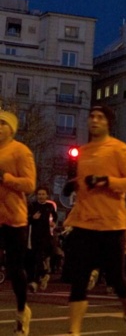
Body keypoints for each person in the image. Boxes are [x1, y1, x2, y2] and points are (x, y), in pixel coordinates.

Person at [63, 105, 126, 336]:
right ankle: (74, 331)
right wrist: (74, 184)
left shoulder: (120, 149)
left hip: (111, 225)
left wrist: (106, 181)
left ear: (108, 123)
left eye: (100, 117)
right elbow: (84, 182)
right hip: (84, 224)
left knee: (118, 279)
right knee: (78, 280)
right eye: (92, 117)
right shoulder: (84, 151)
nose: (94, 121)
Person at [0, 110, 36, 336]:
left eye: (2, 124)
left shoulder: (21, 151)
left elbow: (30, 185)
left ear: (11, 129)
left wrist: (6, 178)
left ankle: (22, 311)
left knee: (15, 269)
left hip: (14, 218)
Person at [27, 186, 58, 292]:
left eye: (43, 194)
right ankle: (42, 275)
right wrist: (32, 218)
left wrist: (53, 223)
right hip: (34, 236)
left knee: (40, 257)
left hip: (46, 236)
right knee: (34, 259)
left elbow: (55, 216)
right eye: (39, 194)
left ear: (47, 195)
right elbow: (27, 220)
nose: (41, 196)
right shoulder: (32, 206)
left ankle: (37, 280)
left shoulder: (50, 206)